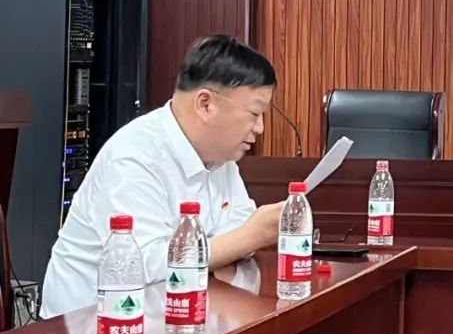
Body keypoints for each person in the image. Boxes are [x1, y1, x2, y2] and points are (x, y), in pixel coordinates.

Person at [41, 35, 285, 318]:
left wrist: (239, 241)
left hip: (172, 315)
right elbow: (147, 269)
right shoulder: (134, 156)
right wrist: (250, 236)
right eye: (254, 113)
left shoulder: (222, 157)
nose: (260, 128)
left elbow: (234, 237)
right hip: (87, 326)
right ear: (205, 104)